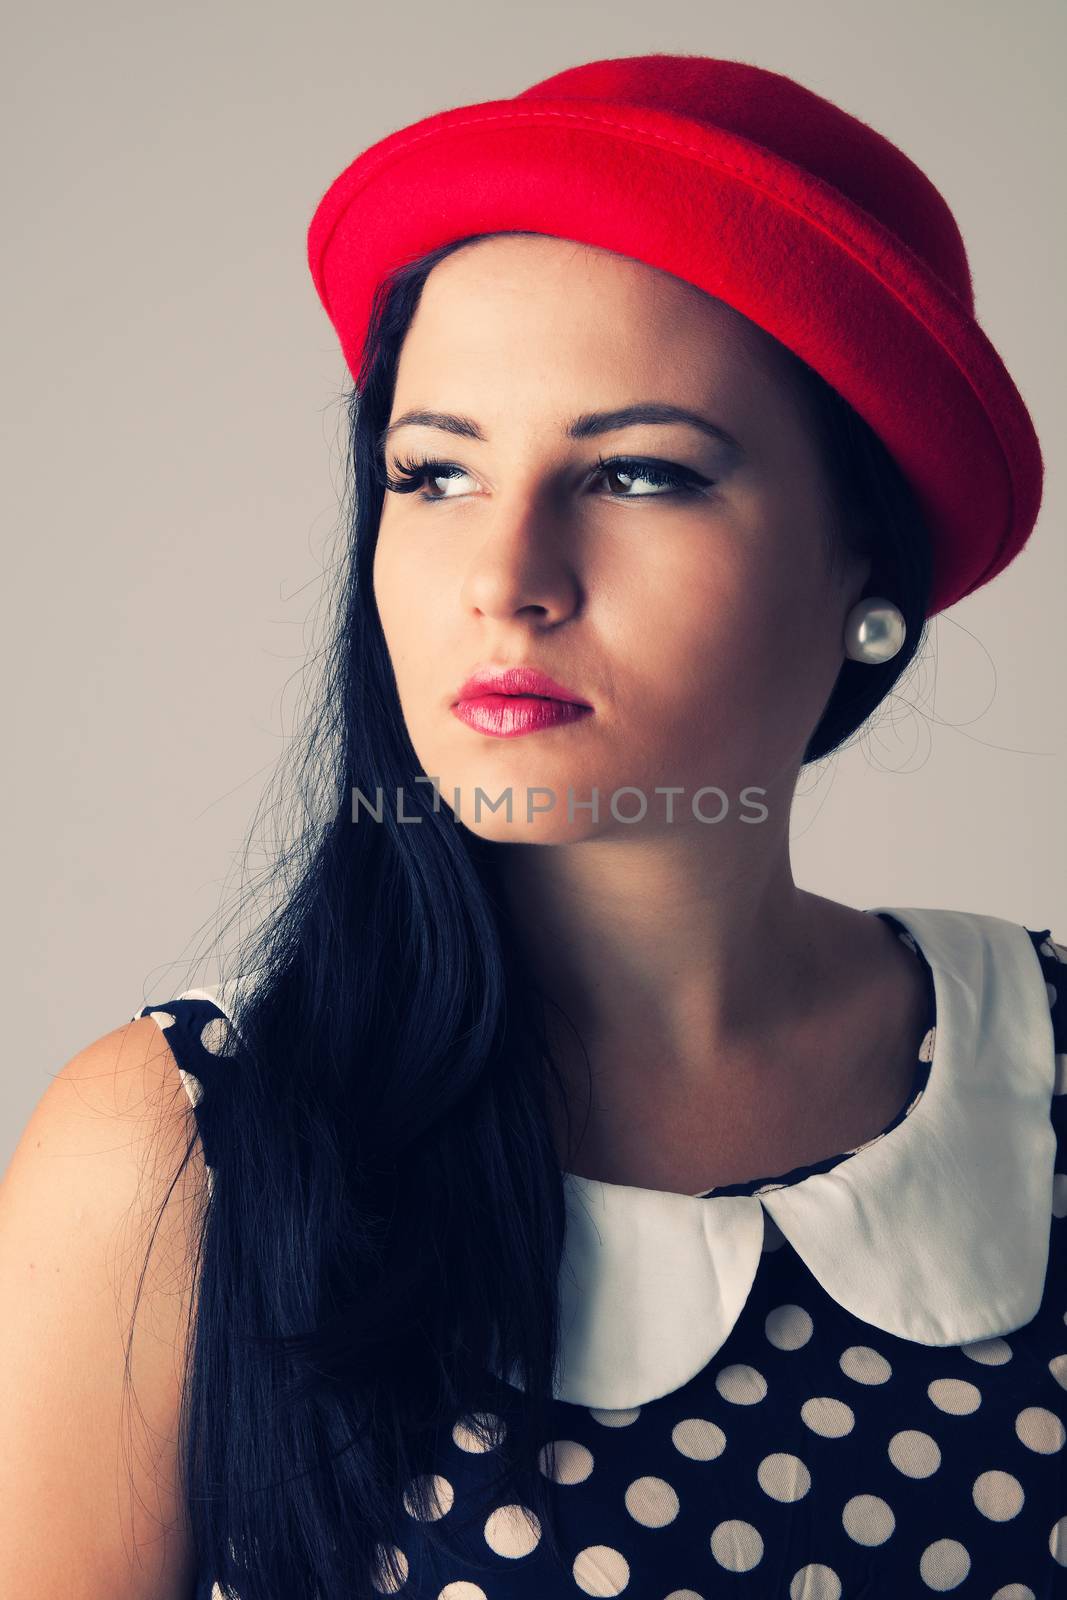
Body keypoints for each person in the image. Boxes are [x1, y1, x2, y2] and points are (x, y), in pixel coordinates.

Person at [2, 52, 1061, 1600]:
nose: (506, 575)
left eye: (637, 472)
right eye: (432, 475)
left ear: (866, 572)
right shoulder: (180, 1151)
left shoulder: (1040, 1072)